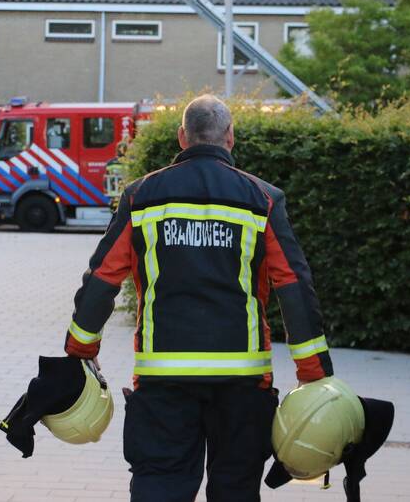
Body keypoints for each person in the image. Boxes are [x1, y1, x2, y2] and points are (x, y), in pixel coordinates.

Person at [64, 94, 333, 501]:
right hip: (243, 383)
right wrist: (313, 371)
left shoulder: (141, 197)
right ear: (231, 137)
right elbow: (293, 284)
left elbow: (103, 276)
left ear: (181, 137)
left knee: (161, 485)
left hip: (164, 379)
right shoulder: (262, 200)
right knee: (235, 488)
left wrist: (80, 347)